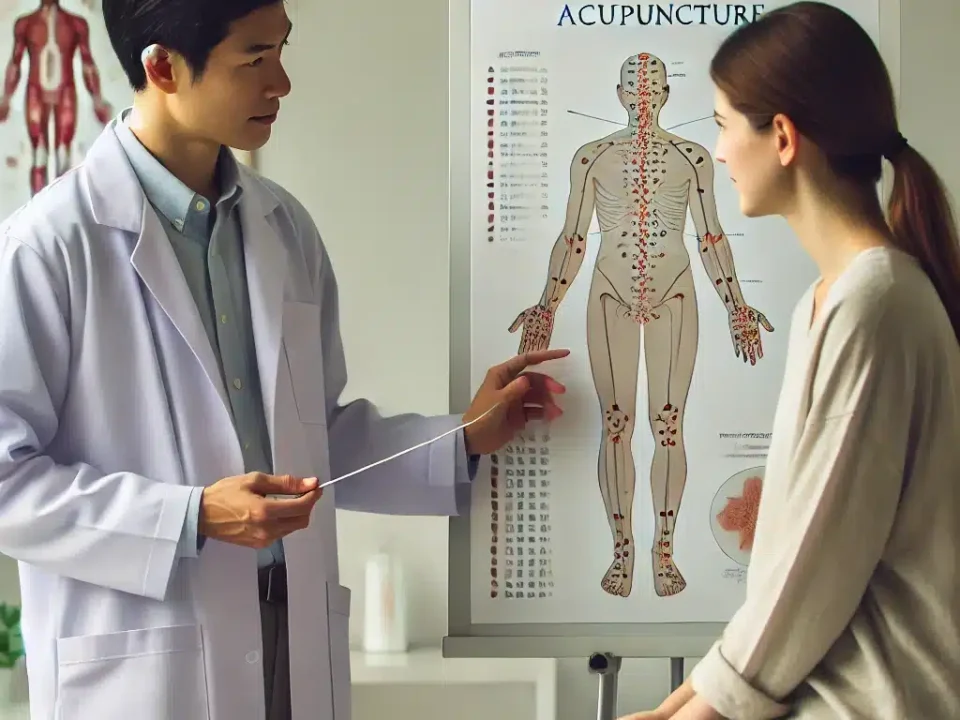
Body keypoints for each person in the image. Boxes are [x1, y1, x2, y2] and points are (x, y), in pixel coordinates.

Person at [0, 1, 568, 719]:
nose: (282, 83)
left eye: (281, 51)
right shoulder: (49, 245)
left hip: (290, 638)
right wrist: (190, 517)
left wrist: (462, 437)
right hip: (146, 662)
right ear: (162, 66)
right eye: (254, 59)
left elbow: (313, 439)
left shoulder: (284, 227)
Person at [621, 2, 960, 719]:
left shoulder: (876, 304)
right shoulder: (833, 299)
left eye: (720, 125)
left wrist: (702, 714)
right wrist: (677, 704)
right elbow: (787, 574)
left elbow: (815, 566)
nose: (714, 151)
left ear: (781, 137)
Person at [509, 52, 772, 600]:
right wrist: (546, 304)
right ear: (620, 92)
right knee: (616, 424)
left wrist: (736, 306)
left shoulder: (693, 158)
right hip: (610, 293)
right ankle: (623, 552)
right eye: (635, 83)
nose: (644, 93)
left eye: (654, 83)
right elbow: (574, 238)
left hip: (675, 293)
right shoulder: (592, 158)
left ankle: (665, 551)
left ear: (667, 93)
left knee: (668, 423)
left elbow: (710, 237)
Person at [0, 0, 113, 195]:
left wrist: (97, 100)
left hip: (65, 93)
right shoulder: (25, 24)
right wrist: (6, 99)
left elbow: (88, 64)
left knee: (63, 155)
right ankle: (38, 211)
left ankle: (61, 211)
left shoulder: (76, 24)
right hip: (36, 93)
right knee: (39, 155)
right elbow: (15, 64)